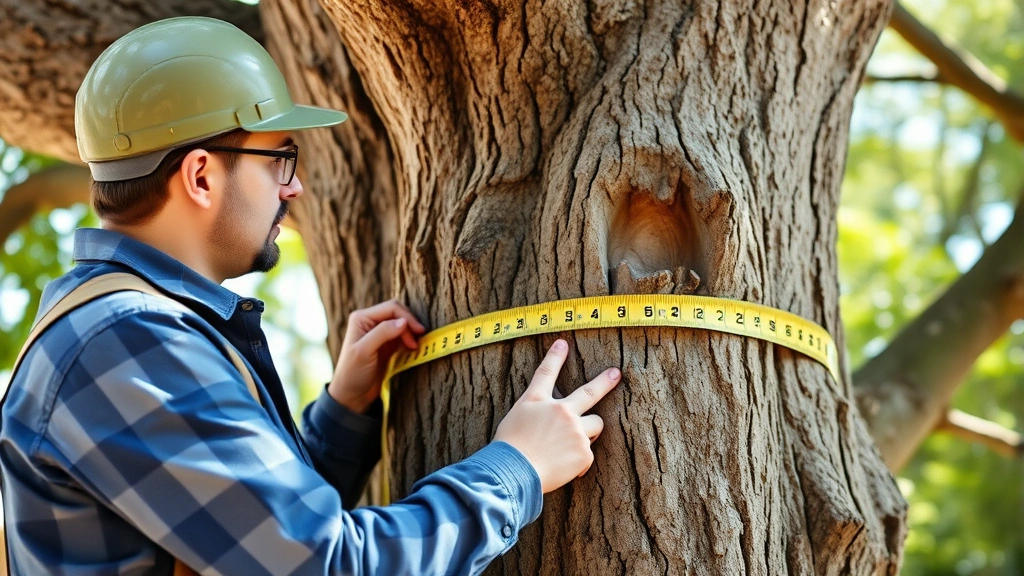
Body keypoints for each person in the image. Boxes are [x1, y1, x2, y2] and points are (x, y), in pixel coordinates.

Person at [0, 16, 620, 575]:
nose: (292, 189)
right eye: (279, 159)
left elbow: (247, 537)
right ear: (200, 175)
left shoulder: (123, 332)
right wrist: (517, 468)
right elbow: (324, 564)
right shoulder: (125, 339)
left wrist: (344, 410)